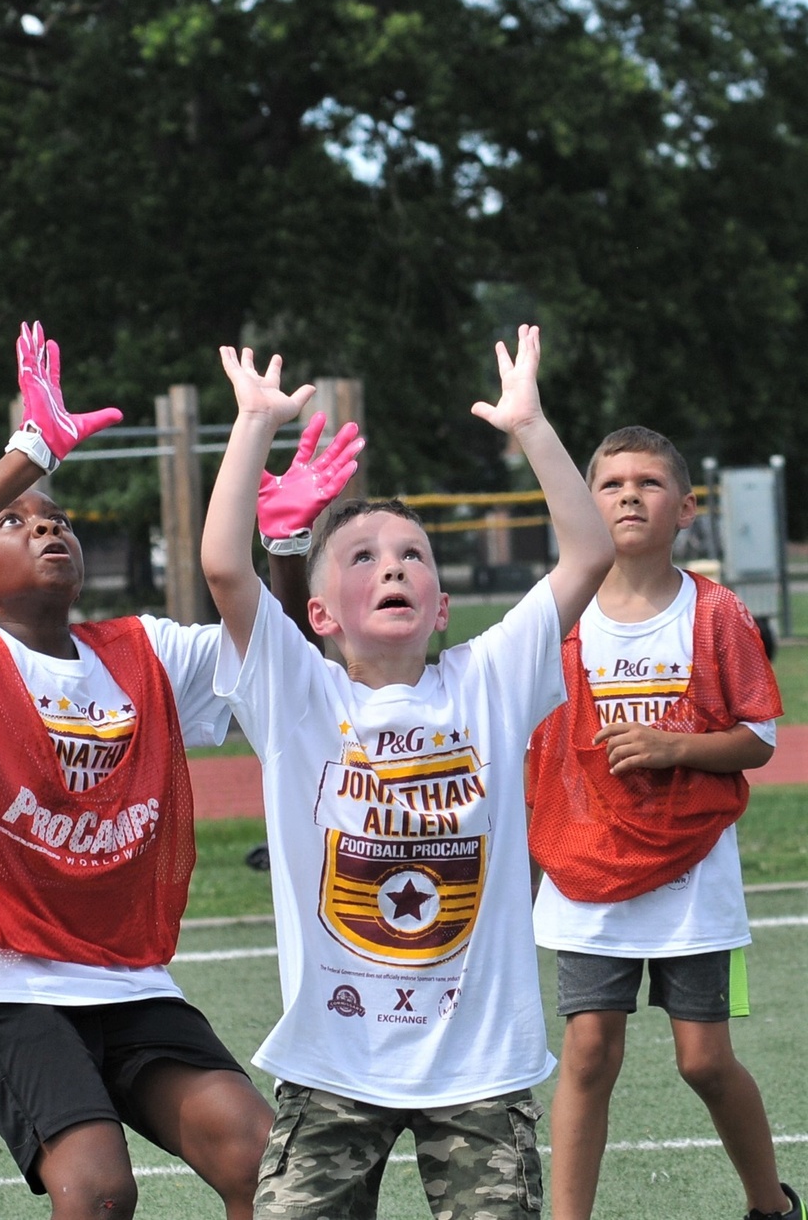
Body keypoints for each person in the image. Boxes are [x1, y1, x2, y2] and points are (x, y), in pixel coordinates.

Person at [0, 321, 358, 1220]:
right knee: (97, 1189)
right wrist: (29, 454)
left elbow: (279, 664)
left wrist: (284, 550)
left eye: (54, 517)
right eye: (13, 524)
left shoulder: (146, 652)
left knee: (265, 1161)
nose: (45, 525)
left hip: (122, 972)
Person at [200, 325, 614, 1219]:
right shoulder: (297, 693)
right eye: (364, 558)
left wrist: (533, 427)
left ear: (441, 608)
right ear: (318, 614)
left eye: (413, 557)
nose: (392, 565)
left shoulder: (492, 681)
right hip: (334, 1061)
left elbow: (588, 554)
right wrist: (253, 425)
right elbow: (225, 565)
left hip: (478, 1068)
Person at [526, 425, 803, 1220]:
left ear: (685, 508)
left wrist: (673, 745)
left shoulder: (716, 614)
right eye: (610, 485)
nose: (628, 497)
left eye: (648, 484)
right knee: (586, 1053)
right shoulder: (556, 616)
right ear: (584, 504)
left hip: (692, 873)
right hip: (588, 873)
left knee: (705, 1061)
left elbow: (757, 740)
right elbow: (525, 745)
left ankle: (769, 1207)